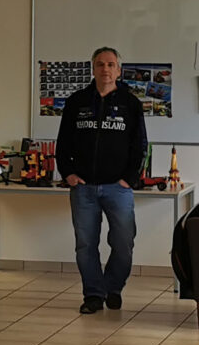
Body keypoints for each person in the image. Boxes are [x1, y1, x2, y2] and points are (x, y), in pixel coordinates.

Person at [56, 46, 148, 315]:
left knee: (123, 243)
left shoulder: (131, 103)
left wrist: (129, 179)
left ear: (119, 70)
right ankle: (94, 294)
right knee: (85, 244)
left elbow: (139, 144)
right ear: (93, 69)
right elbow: (63, 143)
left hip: (117, 188)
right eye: (100, 64)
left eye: (110, 64)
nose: (105, 69)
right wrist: (67, 173)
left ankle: (113, 287)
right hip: (83, 187)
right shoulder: (77, 101)